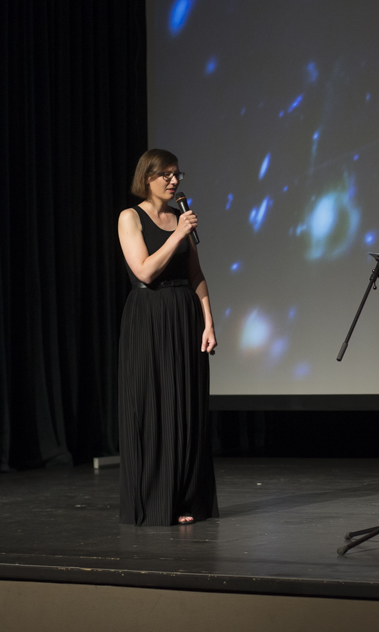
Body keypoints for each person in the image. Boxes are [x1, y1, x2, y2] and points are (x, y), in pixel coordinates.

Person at [116, 149, 218, 526]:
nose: (174, 181)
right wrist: (177, 234)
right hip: (149, 316)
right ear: (147, 178)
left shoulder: (180, 217)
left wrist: (208, 322)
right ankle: (155, 501)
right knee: (154, 405)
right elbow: (144, 271)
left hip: (184, 315)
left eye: (177, 174)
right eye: (166, 175)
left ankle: (185, 498)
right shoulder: (131, 217)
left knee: (186, 407)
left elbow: (196, 274)